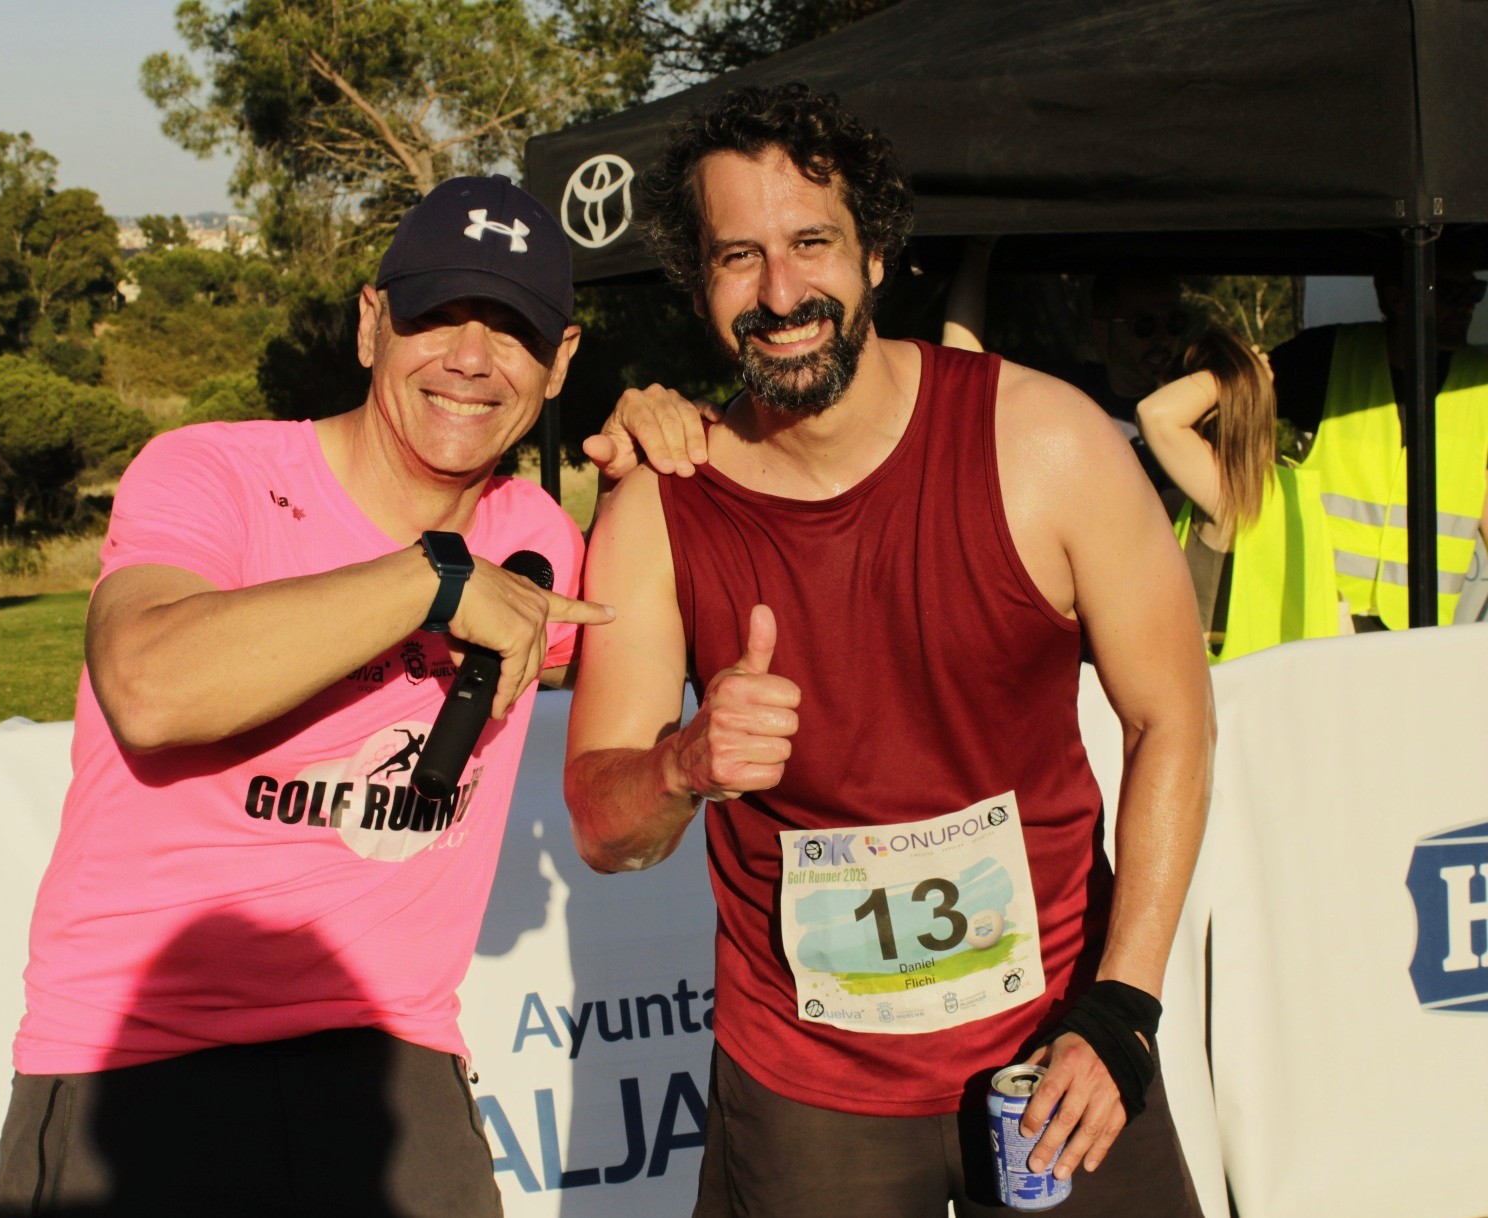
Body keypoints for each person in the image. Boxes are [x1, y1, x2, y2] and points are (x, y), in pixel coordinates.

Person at [564, 83, 1214, 1218]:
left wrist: (1123, 1008)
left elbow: (1173, 720)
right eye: (737, 257)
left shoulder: (1045, 442)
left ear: (874, 256)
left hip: (1059, 1051)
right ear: (700, 284)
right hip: (807, 1092)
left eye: (810, 243)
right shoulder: (659, 509)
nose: (779, 292)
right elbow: (599, 824)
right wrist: (682, 762)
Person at [0, 174, 690, 1218]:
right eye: (436, 316)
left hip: (392, 1069)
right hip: (138, 1063)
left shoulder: (539, 537)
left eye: (511, 330)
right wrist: (433, 579)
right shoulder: (212, 473)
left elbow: (645, 668)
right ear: (371, 324)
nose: (470, 357)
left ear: (560, 363)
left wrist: (660, 441)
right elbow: (146, 686)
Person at [1269, 241, 1488, 630]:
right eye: (1451, 292)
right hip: (1324, 614)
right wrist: (1268, 486)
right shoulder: (1323, 356)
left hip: (1424, 629)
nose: (1467, 306)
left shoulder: (1481, 381)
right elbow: (1233, 410)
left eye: (1474, 292)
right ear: (1397, 298)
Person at [1136, 325, 1343, 661]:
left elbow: (1155, 414)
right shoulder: (1291, 484)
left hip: (1226, 684)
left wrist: (1243, 373)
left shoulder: (1228, 490)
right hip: (1288, 681)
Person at [941, 238, 1191, 513]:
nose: (1163, 339)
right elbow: (967, 379)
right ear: (1102, 331)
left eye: (1175, 324)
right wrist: (980, 247)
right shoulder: (1064, 393)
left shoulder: (1195, 418)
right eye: (1144, 325)